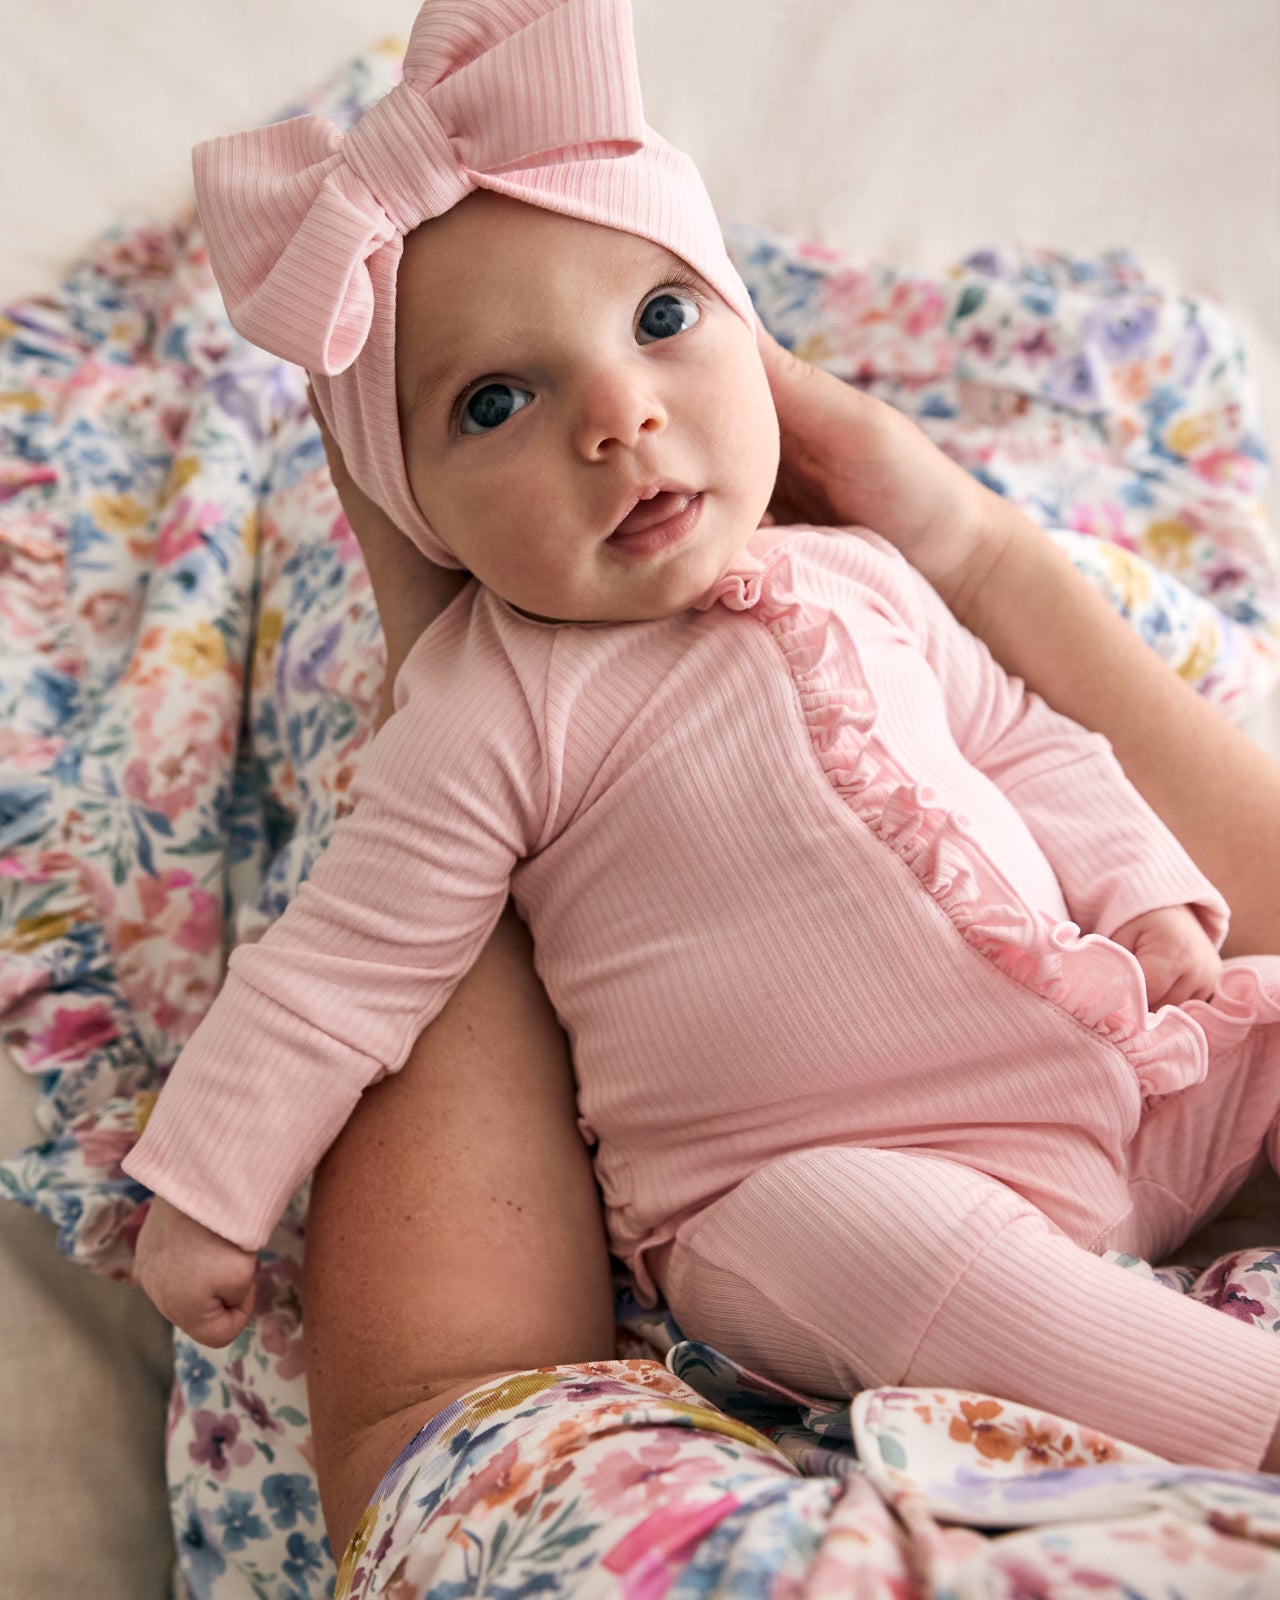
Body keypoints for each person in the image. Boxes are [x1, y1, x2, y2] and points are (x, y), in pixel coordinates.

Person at [125, 0, 1280, 1541]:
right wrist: (204, 1186)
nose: (620, 414)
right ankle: (1243, 1425)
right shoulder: (485, 706)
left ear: (757, 339)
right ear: (420, 518)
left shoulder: (858, 573)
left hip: (1111, 1091)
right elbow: (343, 967)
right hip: (806, 1195)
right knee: (872, 1236)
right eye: (496, 402)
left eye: (663, 319)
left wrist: (1149, 899)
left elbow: (1025, 741)